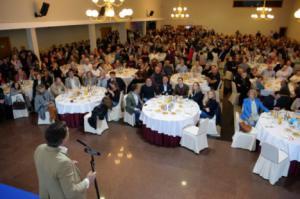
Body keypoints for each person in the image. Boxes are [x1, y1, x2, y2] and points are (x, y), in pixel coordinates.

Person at [34, 121, 96, 199]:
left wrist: (68, 164)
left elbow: (49, 164)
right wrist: (88, 180)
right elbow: (72, 193)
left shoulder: (39, 148)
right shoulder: (63, 163)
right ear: (63, 139)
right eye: (68, 132)